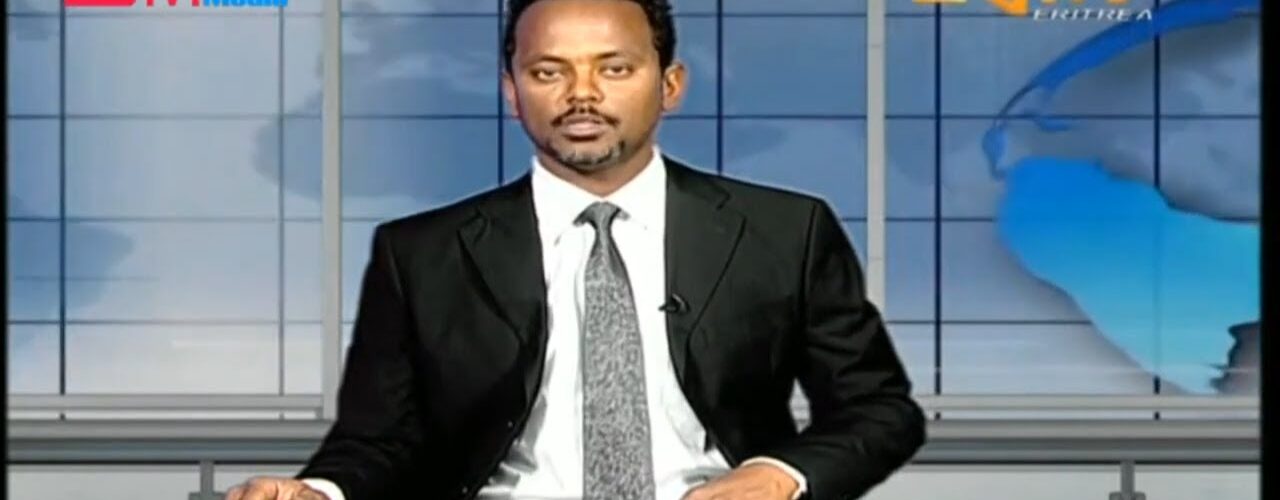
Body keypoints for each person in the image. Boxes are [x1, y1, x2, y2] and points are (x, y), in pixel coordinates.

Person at [225, 0, 925, 498]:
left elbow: (880, 408)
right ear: (511, 92)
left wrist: (777, 476)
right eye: (548, 72)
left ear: (670, 85)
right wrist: (319, 491)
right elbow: (377, 442)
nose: (581, 95)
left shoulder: (784, 231)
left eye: (614, 69)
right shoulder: (420, 255)